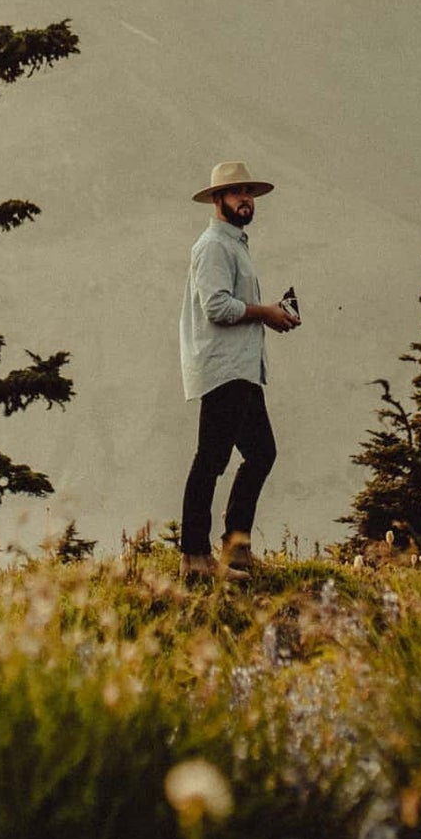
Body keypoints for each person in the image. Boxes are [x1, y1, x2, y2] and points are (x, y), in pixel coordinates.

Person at [178, 159, 298, 578]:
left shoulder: (234, 244)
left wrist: (267, 314)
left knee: (261, 453)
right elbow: (216, 307)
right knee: (211, 459)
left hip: (242, 369)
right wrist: (265, 312)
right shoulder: (213, 246)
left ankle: (236, 547)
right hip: (224, 367)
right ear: (217, 200)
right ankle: (195, 556)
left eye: (248, 192)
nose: (245, 199)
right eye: (236, 192)